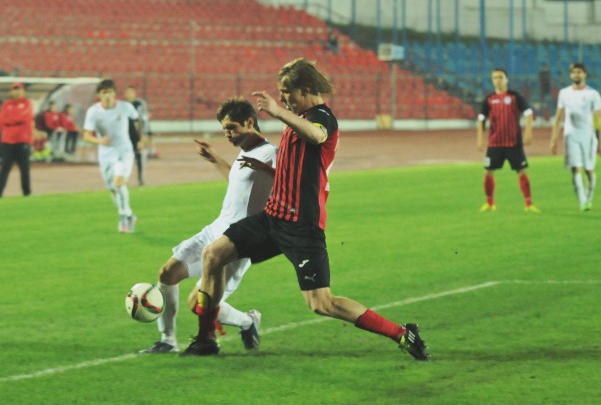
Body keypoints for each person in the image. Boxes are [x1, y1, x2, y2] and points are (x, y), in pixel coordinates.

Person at [181, 58, 429, 360]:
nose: (282, 97)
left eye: (286, 91)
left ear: (306, 89)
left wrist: (278, 111)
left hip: (302, 227)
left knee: (322, 303)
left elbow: (317, 135)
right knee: (213, 254)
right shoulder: (298, 119)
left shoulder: (323, 117)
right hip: (273, 217)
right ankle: (206, 339)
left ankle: (402, 334)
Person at [140, 97, 277, 354]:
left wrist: (267, 170)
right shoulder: (245, 151)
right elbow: (238, 182)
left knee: (198, 303)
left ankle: (247, 322)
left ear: (250, 122)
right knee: (167, 273)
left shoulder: (271, 153)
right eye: (224, 129)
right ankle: (167, 341)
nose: (227, 134)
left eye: (232, 127)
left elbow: (291, 185)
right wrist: (215, 159)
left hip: (238, 241)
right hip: (216, 228)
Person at [476, 68, 539, 213]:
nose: (497, 80)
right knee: (488, 172)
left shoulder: (515, 96)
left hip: (513, 143)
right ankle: (489, 203)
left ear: (506, 79)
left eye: (500, 77)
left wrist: (528, 132)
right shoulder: (489, 99)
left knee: (521, 172)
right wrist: (480, 138)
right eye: (495, 78)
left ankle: (528, 204)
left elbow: (528, 113)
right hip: (495, 143)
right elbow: (481, 119)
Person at [83, 78, 139, 233]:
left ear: (114, 93)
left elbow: (136, 120)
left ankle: (123, 216)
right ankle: (130, 214)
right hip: (106, 153)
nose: (107, 95)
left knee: (119, 183)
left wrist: (140, 138)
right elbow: (86, 135)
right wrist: (99, 140)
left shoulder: (125, 107)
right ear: (99, 95)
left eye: (110, 92)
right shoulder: (93, 112)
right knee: (113, 189)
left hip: (124, 151)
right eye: (104, 92)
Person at [550, 62, 601, 211]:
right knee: (575, 168)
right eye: (573, 72)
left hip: (588, 136)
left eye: (579, 72)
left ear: (584, 74)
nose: (576, 75)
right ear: (570, 75)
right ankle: (582, 201)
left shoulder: (593, 94)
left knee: (589, 170)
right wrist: (553, 140)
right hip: (571, 135)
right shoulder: (564, 93)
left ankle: (589, 197)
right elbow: (558, 117)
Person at [0, 83, 34, 198]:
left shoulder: (27, 103)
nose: (16, 92)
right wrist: (14, 120)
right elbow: (2, 119)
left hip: (22, 140)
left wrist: (10, 120)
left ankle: (27, 192)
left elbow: (24, 117)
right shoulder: (7, 104)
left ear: (23, 91)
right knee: (4, 167)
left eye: (19, 89)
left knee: (24, 168)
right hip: (8, 140)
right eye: (14, 89)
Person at [123, 85, 151, 185]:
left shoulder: (139, 104)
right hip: (125, 136)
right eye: (127, 92)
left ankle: (140, 179)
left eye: (131, 92)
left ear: (135, 93)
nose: (129, 94)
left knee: (140, 157)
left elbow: (144, 120)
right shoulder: (123, 105)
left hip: (137, 135)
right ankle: (123, 179)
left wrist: (143, 137)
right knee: (125, 158)